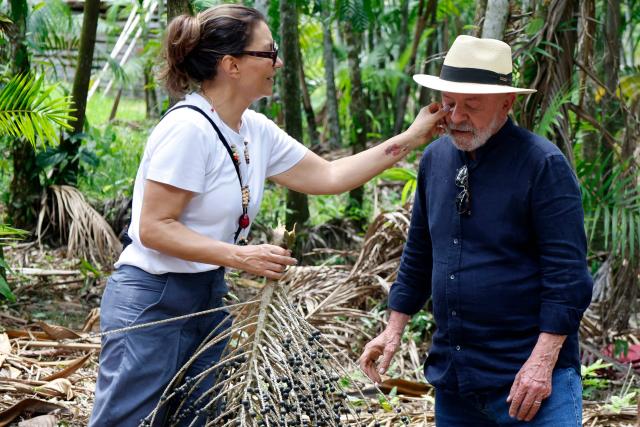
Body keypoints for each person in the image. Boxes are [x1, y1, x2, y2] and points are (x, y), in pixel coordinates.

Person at [89, 4, 448, 427]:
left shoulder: (252, 130)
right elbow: (153, 228)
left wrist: (411, 137)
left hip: (206, 296)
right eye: (268, 51)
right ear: (231, 65)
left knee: (197, 418)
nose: (277, 62)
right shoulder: (188, 130)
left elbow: (330, 175)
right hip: (153, 299)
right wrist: (240, 256)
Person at [358, 35, 593, 426]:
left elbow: (567, 277)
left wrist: (541, 362)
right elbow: (419, 252)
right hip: (456, 381)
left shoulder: (542, 165)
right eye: (449, 103)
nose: (456, 116)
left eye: (472, 105)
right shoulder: (436, 158)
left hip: (530, 384)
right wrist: (392, 331)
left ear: (507, 102)